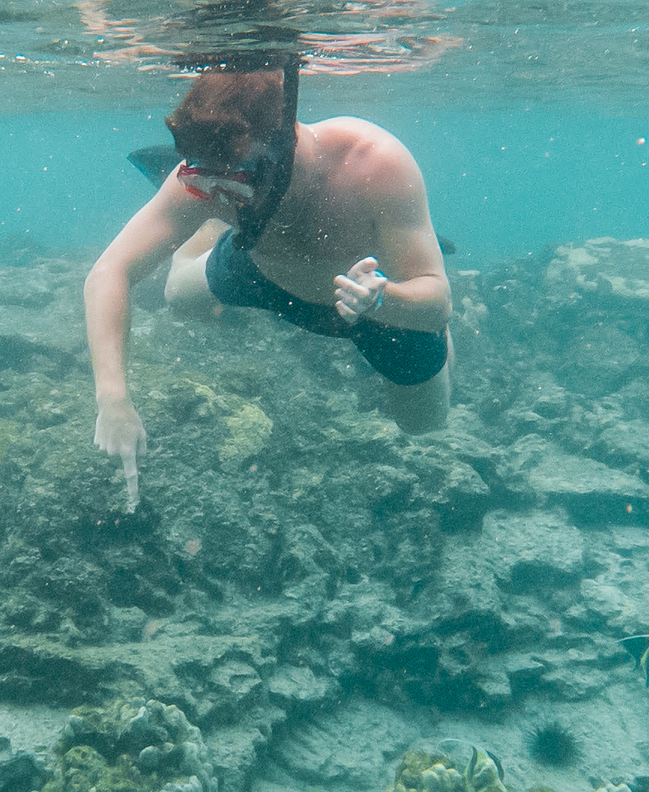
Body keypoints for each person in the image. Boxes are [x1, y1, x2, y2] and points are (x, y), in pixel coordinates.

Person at [85, 58, 451, 510]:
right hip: (265, 271)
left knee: (424, 427)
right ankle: (200, 229)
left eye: (234, 182)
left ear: (285, 143)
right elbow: (109, 272)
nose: (219, 196)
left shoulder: (374, 163)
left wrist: (384, 299)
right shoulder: (210, 174)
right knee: (176, 293)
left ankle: (423, 293)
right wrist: (113, 399)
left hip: (372, 304)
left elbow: (436, 302)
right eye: (203, 183)